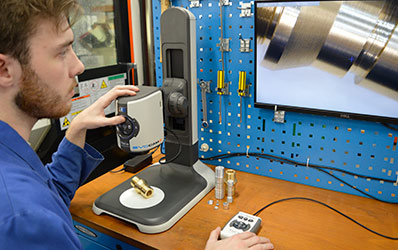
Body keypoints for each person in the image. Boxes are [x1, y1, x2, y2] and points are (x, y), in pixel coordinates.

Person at [0, 1, 274, 249]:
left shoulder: (12, 160)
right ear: (5, 70)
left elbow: (50, 196)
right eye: (61, 52)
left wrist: (75, 132)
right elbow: (36, 210)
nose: (79, 66)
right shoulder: (22, 219)